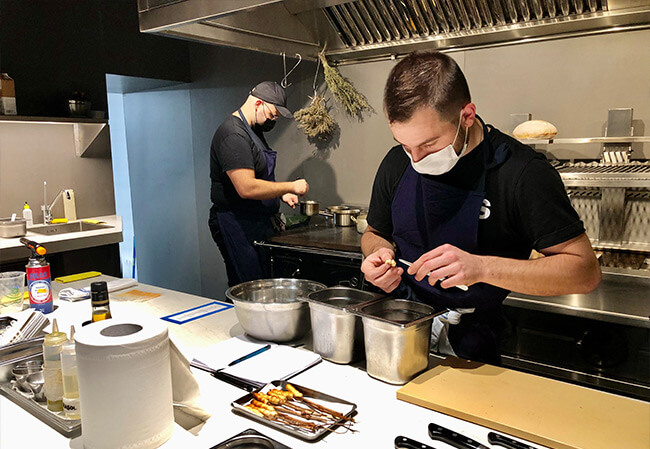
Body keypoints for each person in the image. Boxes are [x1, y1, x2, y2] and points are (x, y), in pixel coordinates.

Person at [361, 52, 601, 364]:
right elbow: (374, 233)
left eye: (430, 144)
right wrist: (377, 255)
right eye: (407, 146)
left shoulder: (522, 173)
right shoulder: (396, 163)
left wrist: (483, 268)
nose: (417, 160)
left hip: (475, 340)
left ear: (467, 115)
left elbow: (584, 272)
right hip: (401, 327)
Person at [209, 81, 309, 287]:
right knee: (249, 289)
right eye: (272, 114)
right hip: (236, 222)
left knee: (260, 287)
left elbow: (259, 175)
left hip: (254, 221)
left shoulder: (253, 131)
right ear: (258, 103)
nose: (273, 120)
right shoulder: (233, 135)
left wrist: (278, 194)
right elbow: (246, 187)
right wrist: (289, 187)